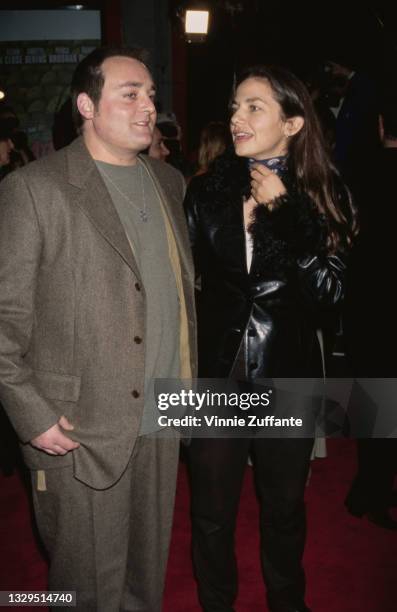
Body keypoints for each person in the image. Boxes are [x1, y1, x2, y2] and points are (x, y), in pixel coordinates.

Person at [0, 46, 196, 611]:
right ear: (86, 104)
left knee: (145, 580)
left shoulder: (169, 182)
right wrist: (32, 417)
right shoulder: (34, 190)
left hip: (163, 416)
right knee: (86, 587)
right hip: (78, 428)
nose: (147, 108)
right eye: (129, 94)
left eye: (152, 95)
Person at [184, 65, 356, 612]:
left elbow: (330, 295)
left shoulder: (326, 192)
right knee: (210, 512)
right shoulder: (207, 190)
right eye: (235, 106)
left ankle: (287, 602)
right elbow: (190, 286)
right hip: (217, 377)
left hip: (290, 378)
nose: (237, 117)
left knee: (284, 508)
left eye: (254, 107)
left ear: (294, 122)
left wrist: (285, 209)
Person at [343, 79, 397, 530]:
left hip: (367, 308)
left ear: (380, 126)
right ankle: (375, 491)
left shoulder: (358, 177)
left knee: (375, 406)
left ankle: (370, 489)